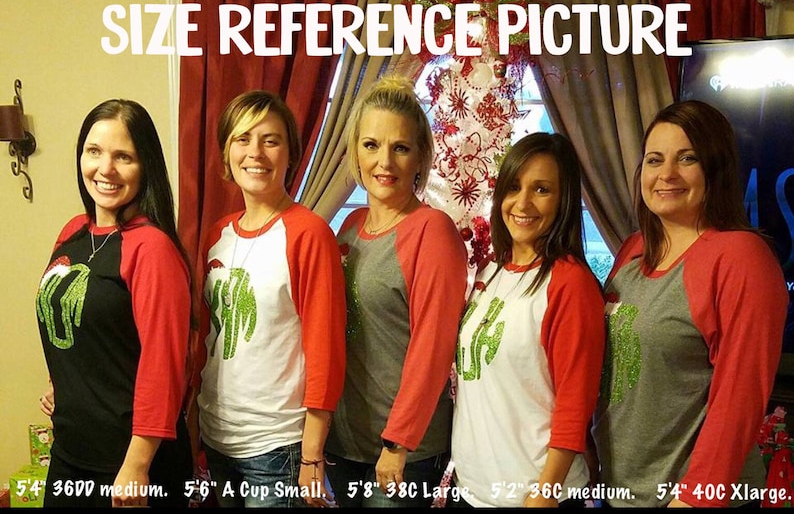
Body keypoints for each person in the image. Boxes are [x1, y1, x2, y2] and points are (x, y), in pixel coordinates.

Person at [592, 99, 789, 507]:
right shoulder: (633, 249)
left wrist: (695, 498)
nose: (667, 174)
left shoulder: (741, 257)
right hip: (620, 491)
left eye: (687, 158)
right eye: (654, 160)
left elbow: (740, 398)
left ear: (715, 168)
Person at [187, 90, 347, 508]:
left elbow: (326, 351)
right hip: (218, 439)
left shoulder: (308, 233)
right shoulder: (218, 234)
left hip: (277, 449)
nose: (255, 152)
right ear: (226, 153)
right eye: (242, 139)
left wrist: (312, 456)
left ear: (290, 154)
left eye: (270, 140)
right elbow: (208, 340)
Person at [36, 99, 193, 508]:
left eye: (123, 156)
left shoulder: (152, 247)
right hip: (70, 449)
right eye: (94, 151)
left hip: (130, 462)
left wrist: (137, 465)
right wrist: (62, 381)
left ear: (145, 166)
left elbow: (165, 366)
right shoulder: (73, 232)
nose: (105, 169)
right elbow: (76, 322)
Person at [324, 75, 469, 507]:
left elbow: (433, 348)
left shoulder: (432, 231)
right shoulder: (350, 229)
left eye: (400, 148)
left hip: (404, 450)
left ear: (420, 156)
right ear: (355, 151)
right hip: (345, 441)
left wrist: (399, 441)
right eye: (371, 145)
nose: (384, 161)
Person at [448, 132, 605, 508]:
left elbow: (575, 402)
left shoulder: (570, 282)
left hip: (535, 494)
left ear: (563, 200)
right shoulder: (490, 271)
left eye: (542, 190)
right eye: (514, 187)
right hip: (472, 489)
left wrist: (544, 493)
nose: (522, 203)